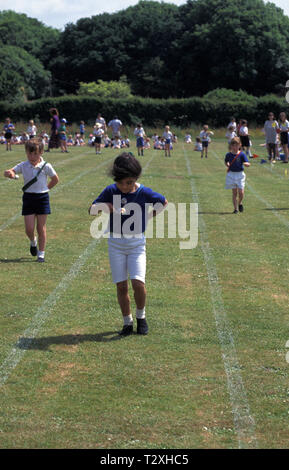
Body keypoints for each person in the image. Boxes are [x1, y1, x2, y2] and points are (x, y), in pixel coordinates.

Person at [89, 152, 168, 335]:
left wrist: (149, 216)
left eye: (129, 183)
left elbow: (163, 202)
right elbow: (92, 209)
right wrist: (108, 207)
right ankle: (127, 322)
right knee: (121, 285)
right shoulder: (110, 191)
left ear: (136, 179)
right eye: (121, 183)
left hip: (136, 245)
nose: (125, 187)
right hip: (115, 244)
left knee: (138, 283)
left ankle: (141, 317)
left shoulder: (143, 192)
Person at [3, 138, 59, 262]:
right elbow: (10, 171)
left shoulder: (46, 166)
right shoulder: (24, 165)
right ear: (26, 152)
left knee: (41, 228)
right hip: (28, 198)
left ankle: (41, 254)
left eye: (35, 154)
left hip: (42, 198)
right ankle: (33, 241)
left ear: (41, 153)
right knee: (29, 229)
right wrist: (9, 173)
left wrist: (46, 189)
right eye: (29, 153)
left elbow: (55, 179)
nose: (32, 156)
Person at [225, 137, 250, 214]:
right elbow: (226, 162)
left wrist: (246, 164)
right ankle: (235, 209)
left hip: (240, 175)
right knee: (234, 193)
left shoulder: (242, 154)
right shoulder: (228, 155)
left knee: (241, 192)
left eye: (237, 145)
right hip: (231, 175)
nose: (235, 147)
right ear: (231, 146)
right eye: (233, 145)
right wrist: (227, 164)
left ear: (240, 145)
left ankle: (240, 203)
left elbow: (248, 163)